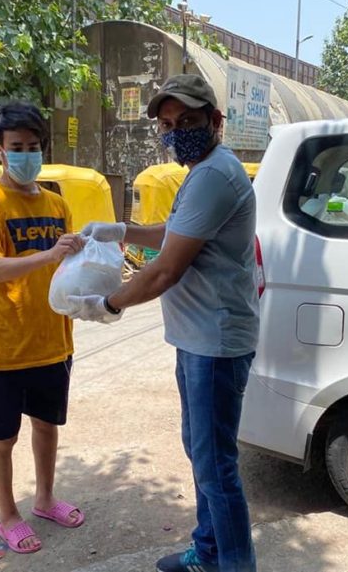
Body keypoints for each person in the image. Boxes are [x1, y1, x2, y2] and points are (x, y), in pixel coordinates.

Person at [71, 75, 260, 572]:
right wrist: (122, 229)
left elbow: (165, 269)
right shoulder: (202, 173)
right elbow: (174, 236)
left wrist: (107, 304)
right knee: (202, 455)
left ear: (216, 121)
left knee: (216, 467)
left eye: (189, 122)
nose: (177, 133)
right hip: (199, 338)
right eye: (169, 126)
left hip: (214, 344)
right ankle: (210, 551)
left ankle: (234, 564)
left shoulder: (215, 174)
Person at [0, 101, 86, 555]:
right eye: (17, 147)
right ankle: (7, 515)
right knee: (2, 437)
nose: (26, 154)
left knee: (47, 426)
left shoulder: (57, 203)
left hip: (53, 340)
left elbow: (69, 270)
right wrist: (51, 255)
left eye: (33, 147)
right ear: (0, 151)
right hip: (4, 345)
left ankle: (46, 499)